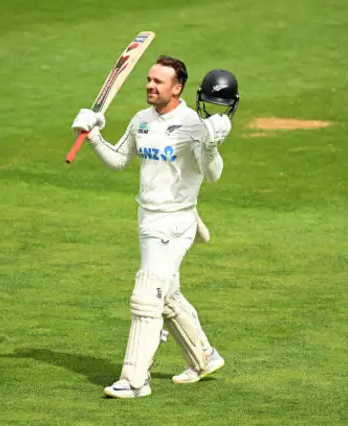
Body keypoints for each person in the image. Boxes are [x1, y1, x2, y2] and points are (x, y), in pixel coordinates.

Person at [71, 56, 240, 399]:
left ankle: (135, 381)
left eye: (158, 82)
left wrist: (210, 146)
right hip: (147, 220)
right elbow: (119, 159)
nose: (150, 85)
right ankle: (204, 357)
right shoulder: (141, 120)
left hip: (177, 221)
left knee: (147, 294)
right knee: (167, 296)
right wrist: (93, 136)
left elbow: (213, 173)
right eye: (148, 79)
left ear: (177, 88)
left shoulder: (194, 125)